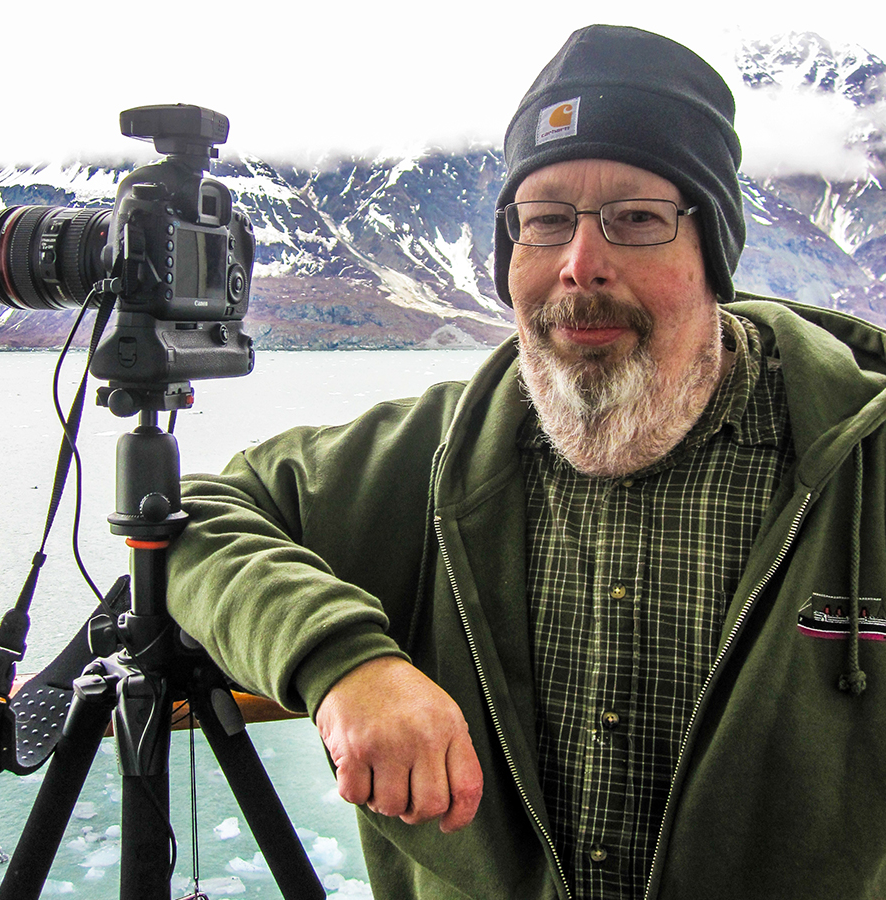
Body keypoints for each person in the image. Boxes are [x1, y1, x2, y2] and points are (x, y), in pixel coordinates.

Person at [167, 24, 886, 900]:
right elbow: (190, 516)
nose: (581, 265)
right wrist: (342, 661)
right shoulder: (430, 455)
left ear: (715, 254)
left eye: (636, 220)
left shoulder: (861, 463)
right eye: (545, 223)